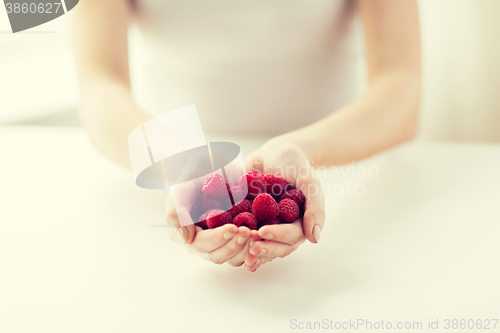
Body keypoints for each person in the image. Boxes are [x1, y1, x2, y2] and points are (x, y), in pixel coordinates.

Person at [72, 0, 420, 272]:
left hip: (341, 165)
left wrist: (300, 148)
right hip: (171, 161)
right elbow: (100, 86)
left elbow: (401, 88)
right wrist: (182, 163)